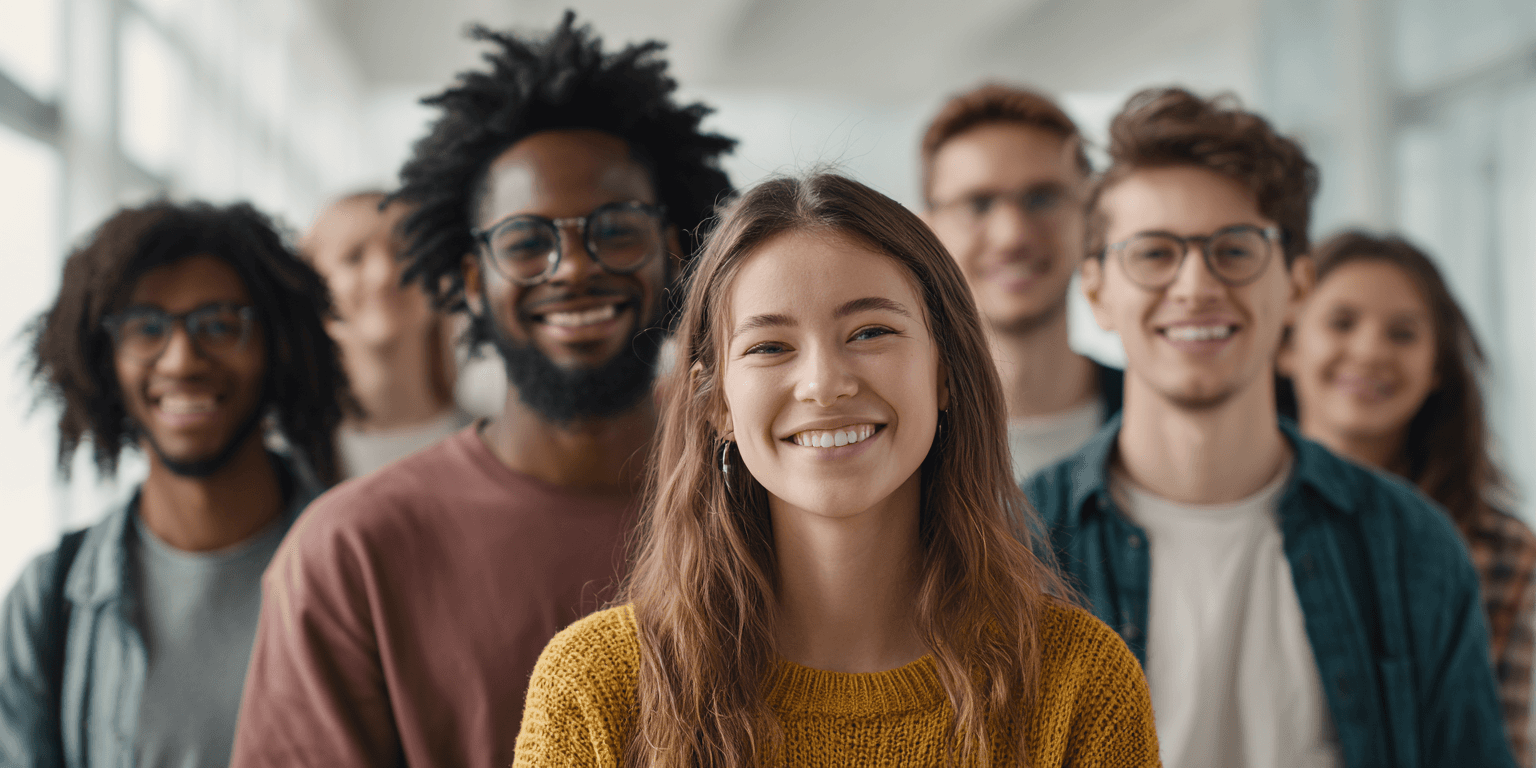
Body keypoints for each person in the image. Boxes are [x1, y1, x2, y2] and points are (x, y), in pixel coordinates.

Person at [513, 173, 1160, 767]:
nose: (824, 383)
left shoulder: (1079, 682)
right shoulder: (596, 689)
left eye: (871, 332)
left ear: (946, 373)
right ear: (716, 405)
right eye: (770, 346)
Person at [230, 13, 735, 768]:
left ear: (675, 250)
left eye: (616, 228)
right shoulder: (350, 554)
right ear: (472, 281)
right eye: (527, 242)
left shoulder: (765, 506)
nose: (572, 268)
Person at [1024, 87, 1516, 768]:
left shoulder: (1411, 545)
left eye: (1234, 250)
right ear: (1099, 290)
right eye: (1155, 253)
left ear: (1298, 284)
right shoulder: (1012, 546)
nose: (1195, 285)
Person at [0, 202, 348, 768]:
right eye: (146, 328)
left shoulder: (367, 565)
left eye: (219, 325)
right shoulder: (48, 601)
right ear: (102, 359)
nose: (182, 360)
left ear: (278, 345)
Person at [1281, 231, 1536, 766]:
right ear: (1287, 344)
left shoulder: (1501, 550)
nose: (1371, 351)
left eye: (1403, 334)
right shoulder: (1233, 515)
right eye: (1341, 323)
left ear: (1437, 366)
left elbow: (1495, 744)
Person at [920, 84, 1122, 483]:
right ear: (927, 232)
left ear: (1090, 218)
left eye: (1042, 198)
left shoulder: (1166, 415)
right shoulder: (892, 438)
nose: (1012, 235)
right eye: (977, 204)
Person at [301, 191, 470, 478]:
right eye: (353, 258)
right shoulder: (293, 465)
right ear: (314, 289)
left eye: (403, 251)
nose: (383, 275)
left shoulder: (498, 440)